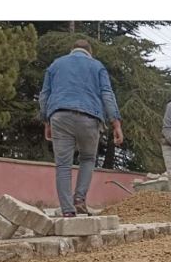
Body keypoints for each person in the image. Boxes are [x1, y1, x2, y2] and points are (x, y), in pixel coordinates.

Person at [39, 39, 123, 217]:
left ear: (72, 50)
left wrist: (46, 120)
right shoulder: (97, 66)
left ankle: (68, 211)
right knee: (87, 159)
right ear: (89, 52)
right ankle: (79, 200)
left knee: (63, 165)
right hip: (89, 118)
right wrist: (115, 123)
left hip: (59, 116)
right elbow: (107, 94)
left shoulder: (55, 65)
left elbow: (44, 95)